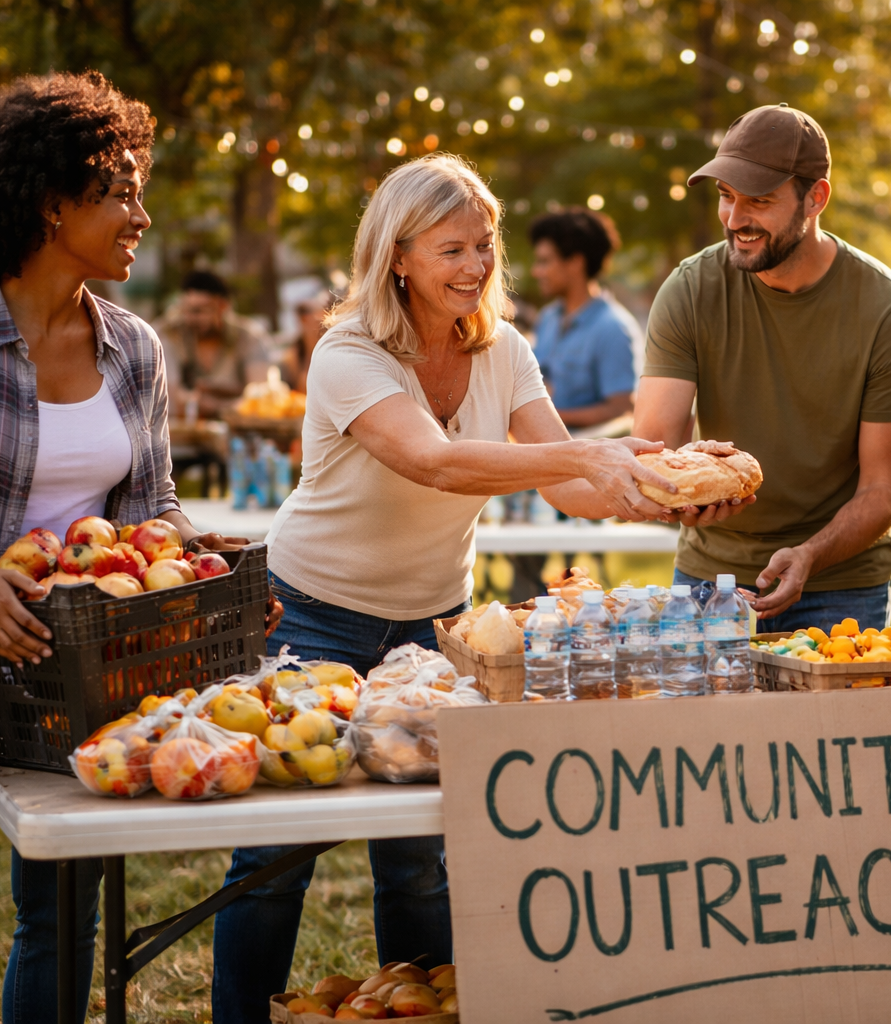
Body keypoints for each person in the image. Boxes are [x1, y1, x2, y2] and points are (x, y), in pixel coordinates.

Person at [211, 153, 682, 1023]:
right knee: (277, 854)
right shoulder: (347, 352)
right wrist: (585, 454)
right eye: (451, 249)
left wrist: (654, 488)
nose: (475, 266)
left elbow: (565, 485)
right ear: (397, 256)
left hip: (431, 630)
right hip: (310, 614)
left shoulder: (504, 349)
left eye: (484, 245)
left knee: (421, 856)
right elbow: (432, 460)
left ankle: (416, 1012)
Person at [0, 72, 264, 1024]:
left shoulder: (134, 350)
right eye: (121, 193)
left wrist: (211, 563)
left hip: (77, 676)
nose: (141, 216)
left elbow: (152, 509)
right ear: (51, 203)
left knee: (64, 917)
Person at [633, 103, 891, 630]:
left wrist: (810, 555)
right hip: (710, 575)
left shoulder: (888, 310)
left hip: (839, 581)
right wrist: (675, 492)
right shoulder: (690, 289)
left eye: (760, 200)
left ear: (816, 198)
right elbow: (656, 448)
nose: (735, 219)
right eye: (727, 196)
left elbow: (883, 490)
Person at [528, 207, 641, 428]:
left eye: (544, 261)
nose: (536, 271)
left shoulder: (613, 328)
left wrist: (547, 417)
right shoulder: (548, 318)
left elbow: (622, 410)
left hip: (584, 446)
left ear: (575, 262)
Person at [153, 269, 273, 418]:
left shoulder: (249, 337)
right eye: (185, 310)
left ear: (223, 306)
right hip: (186, 427)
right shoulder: (170, 334)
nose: (190, 318)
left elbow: (260, 397)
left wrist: (215, 406)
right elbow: (168, 399)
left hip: (240, 426)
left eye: (198, 311)